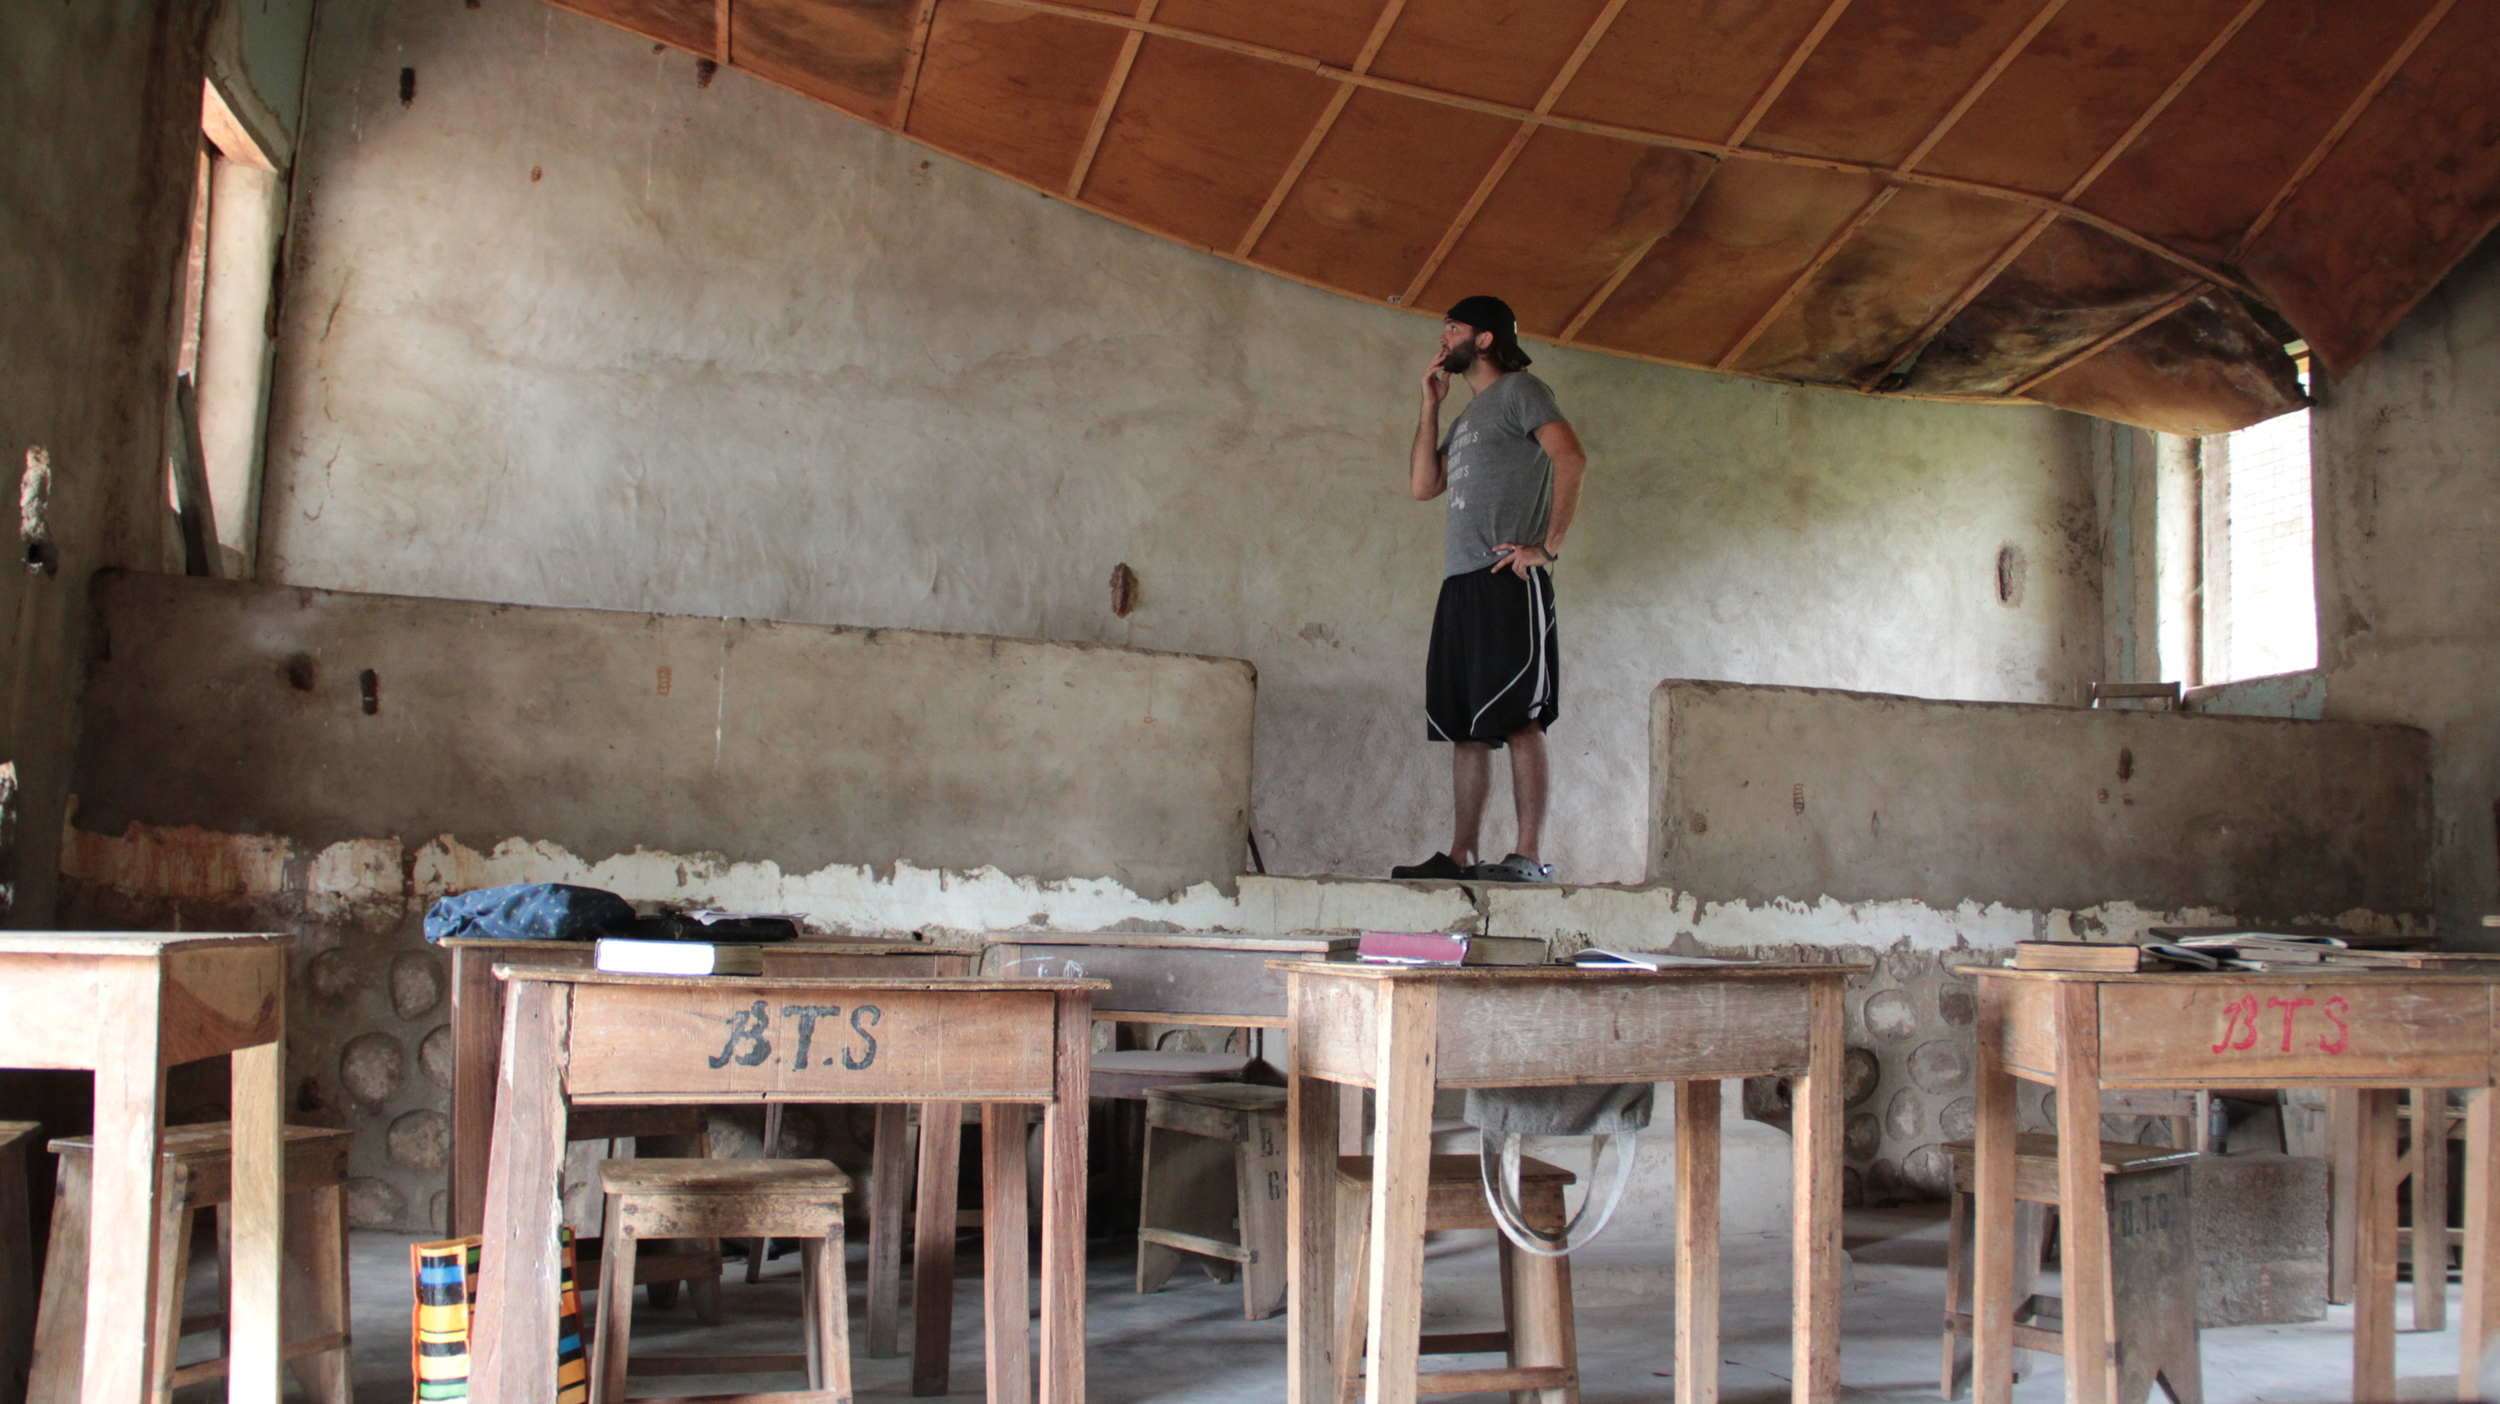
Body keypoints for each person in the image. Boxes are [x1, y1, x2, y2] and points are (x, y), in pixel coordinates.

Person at [1391, 295, 1587, 884]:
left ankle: (1528, 855)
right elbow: (1424, 486)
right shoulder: (1466, 416)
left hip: (1509, 579)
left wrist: (1546, 547)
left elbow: (1571, 458)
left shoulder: (1522, 391)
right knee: (1465, 727)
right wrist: (1429, 407)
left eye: (1453, 328)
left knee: (1519, 719)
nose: (1442, 337)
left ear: (1484, 339)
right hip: (1460, 585)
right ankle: (1462, 855)